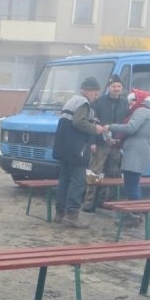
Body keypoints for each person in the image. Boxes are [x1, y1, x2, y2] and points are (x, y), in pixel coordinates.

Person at [52, 77, 106, 228]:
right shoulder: (83, 103)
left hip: (64, 148)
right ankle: (72, 216)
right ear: (88, 91)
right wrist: (96, 129)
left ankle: (59, 213)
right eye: (96, 93)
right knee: (77, 182)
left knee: (64, 180)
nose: (96, 96)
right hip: (77, 150)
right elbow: (78, 122)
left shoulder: (72, 100)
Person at [106, 89, 150, 227]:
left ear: (137, 101)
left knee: (131, 185)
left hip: (137, 152)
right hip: (139, 151)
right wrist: (118, 143)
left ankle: (134, 216)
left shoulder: (141, 111)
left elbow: (131, 128)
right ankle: (135, 214)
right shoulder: (148, 111)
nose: (129, 105)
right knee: (133, 183)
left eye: (131, 102)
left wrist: (110, 127)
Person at [82, 74, 129, 211]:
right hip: (100, 143)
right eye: (114, 86)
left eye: (119, 86)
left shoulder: (125, 103)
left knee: (111, 173)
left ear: (122, 88)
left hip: (116, 144)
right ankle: (88, 202)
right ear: (109, 87)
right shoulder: (99, 102)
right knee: (94, 173)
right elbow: (92, 122)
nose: (116, 89)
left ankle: (102, 201)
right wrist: (93, 141)